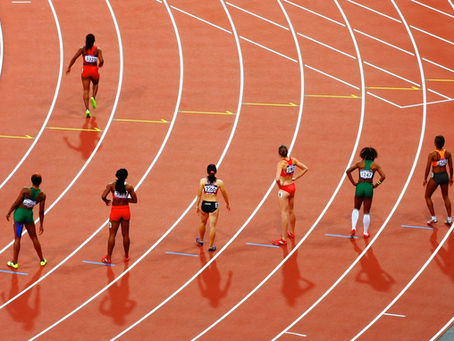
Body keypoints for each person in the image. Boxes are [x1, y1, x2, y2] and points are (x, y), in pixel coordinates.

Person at [5, 173, 47, 269]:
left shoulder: (26, 190)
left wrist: (9, 212)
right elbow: (41, 212)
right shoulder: (42, 195)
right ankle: (42, 260)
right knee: (34, 237)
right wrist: (41, 225)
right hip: (28, 217)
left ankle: (15, 262)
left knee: (17, 238)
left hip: (19, 216)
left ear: (31, 180)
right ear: (40, 182)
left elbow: (16, 202)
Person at [273, 145, 308, 246]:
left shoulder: (281, 164)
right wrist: (296, 178)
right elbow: (305, 168)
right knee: (291, 210)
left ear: (279, 154)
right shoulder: (293, 160)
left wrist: (280, 187)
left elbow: (277, 178)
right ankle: (292, 233)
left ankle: (283, 239)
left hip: (284, 189)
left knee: (283, 213)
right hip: (292, 187)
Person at [346, 147, 385, 238]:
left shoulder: (360, 164)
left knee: (356, 208)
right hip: (369, 187)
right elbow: (383, 176)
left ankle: (353, 228)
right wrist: (376, 184)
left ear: (363, 155)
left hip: (359, 186)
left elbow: (348, 171)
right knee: (366, 211)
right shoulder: (375, 166)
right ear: (373, 156)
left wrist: (353, 182)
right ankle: (365, 232)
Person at [101, 169, 137, 263]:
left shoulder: (111, 185)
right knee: (125, 234)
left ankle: (108, 258)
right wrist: (126, 199)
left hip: (115, 212)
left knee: (112, 235)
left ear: (116, 176)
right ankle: (126, 256)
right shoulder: (129, 187)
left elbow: (103, 196)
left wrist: (106, 201)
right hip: (125, 211)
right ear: (126, 176)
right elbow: (135, 200)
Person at [66, 33, 104, 118]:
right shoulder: (98, 50)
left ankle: (87, 110)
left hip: (86, 70)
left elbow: (74, 58)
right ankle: (93, 97)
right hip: (94, 70)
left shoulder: (83, 49)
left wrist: (69, 67)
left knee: (86, 90)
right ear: (94, 41)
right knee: (95, 83)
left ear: (86, 41)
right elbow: (101, 60)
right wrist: (100, 64)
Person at [195, 164, 230, 252]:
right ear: (215, 172)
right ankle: (211, 246)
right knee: (213, 226)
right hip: (213, 205)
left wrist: (197, 205)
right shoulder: (219, 182)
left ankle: (201, 241)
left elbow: (199, 195)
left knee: (203, 222)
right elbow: (224, 194)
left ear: (207, 171)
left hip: (204, 204)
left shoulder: (202, 181)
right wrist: (227, 204)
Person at [423, 135, 453, 225]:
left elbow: (428, 168)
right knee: (446, 197)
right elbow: (451, 167)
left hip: (436, 177)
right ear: (443, 143)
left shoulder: (432, 154)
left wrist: (425, 178)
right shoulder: (448, 153)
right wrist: (451, 177)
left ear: (435, 143)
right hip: (445, 176)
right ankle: (449, 218)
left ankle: (433, 218)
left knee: (427, 196)